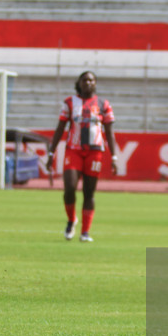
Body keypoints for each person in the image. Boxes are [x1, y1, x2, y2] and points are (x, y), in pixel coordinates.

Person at [46, 71, 118, 243]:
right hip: (74, 150)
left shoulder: (103, 104)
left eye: (91, 80)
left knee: (89, 192)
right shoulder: (70, 103)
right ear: (79, 83)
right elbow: (60, 128)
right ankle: (71, 220)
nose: (88, 82)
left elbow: (109, 132)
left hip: (95, 152)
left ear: (95, 83)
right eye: (85, 80)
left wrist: (114, 156)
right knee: (69, 188)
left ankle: (85, 232)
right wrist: (51, 152)